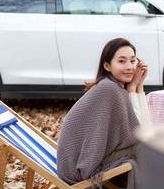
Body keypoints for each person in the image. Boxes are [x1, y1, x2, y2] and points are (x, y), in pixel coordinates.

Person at [57, 38, 149, 189]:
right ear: (107, 65)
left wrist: (139, 86)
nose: (130, 67)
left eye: (133, 61)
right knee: (147, 148)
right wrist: (132, 88)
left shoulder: (113, 87)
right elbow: (139, 133)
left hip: (85, 159)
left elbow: (144, 129)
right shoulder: (109, 89)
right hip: (78, 166)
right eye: (121, 61)